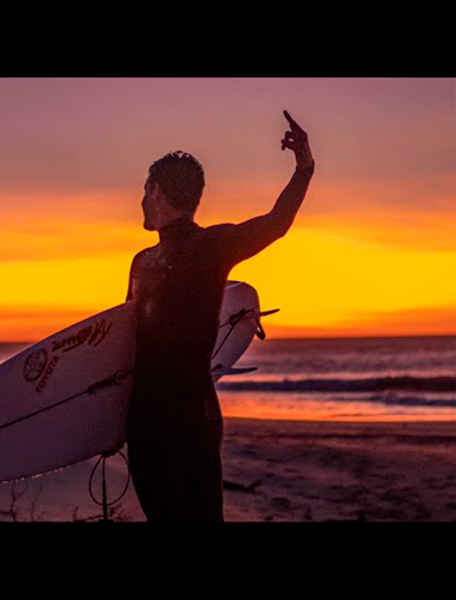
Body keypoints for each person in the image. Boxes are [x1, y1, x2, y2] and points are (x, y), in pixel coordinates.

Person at [125, 110, 315, 521]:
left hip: (190, 421)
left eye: (144, 189)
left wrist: (304, 169)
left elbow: (276, 224)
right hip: (143, 427)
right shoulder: (140, 262)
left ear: (156, 191)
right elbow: (122, 347)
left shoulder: (209, 248)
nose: (140, 199)